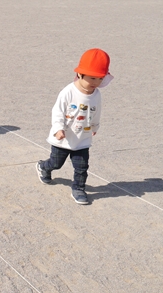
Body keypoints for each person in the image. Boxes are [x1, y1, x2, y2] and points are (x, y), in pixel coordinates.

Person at [36, 48, 113, 205]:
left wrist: (94, 126)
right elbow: (57, 111)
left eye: (100, 79)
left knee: (82, 167)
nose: (96, 83)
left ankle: (78, 188)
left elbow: (96, 111)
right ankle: (44, 166)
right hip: (63, 138)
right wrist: (58, 129)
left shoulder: (96, 94)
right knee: (56, 163)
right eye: (92, 78)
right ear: (80, 74)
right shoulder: (68, 92)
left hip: (82, 139)